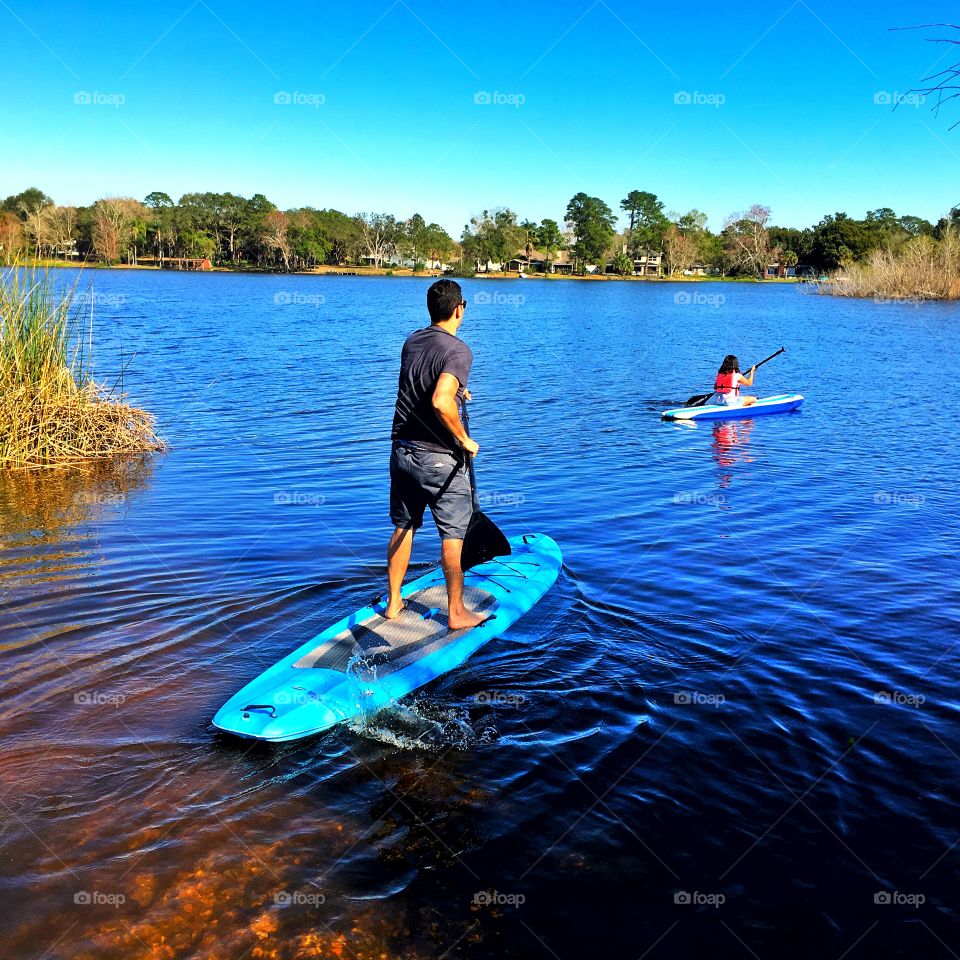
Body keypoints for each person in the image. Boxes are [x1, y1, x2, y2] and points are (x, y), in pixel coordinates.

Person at [384, 279, 486, 630]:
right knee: (452, 533)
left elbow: (425, 380)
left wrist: (459, 389)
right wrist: (463, 438)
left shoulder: (413, 340)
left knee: (404, 525)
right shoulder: (459, 350)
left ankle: (394, 601)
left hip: (401, 451)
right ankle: (457, 612)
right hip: (439, 458)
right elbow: (439, 400)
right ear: (460, 309)